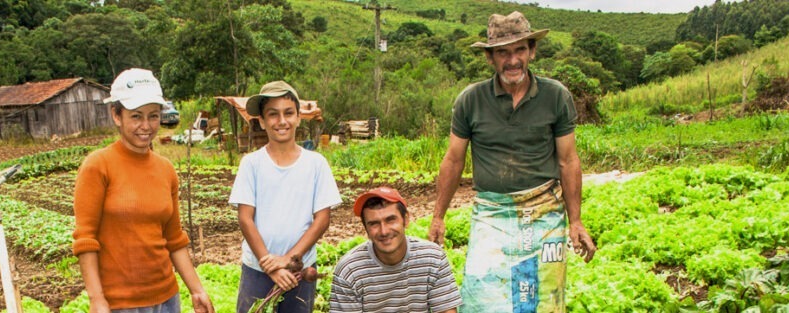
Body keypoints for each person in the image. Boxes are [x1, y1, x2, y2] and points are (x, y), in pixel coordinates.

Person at [428, 11, 598, 312]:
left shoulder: (555, 96)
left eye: (520, 49)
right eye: (503, 52)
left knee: (542, 299)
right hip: (492, 213)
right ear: (490, 58)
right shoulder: (471, 99)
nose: (512, 60)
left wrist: (576, 221)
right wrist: (438, 216)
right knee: (482, 293)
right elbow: (453, 161)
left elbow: (568, 161)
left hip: (545, 213)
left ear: (531, 51)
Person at [72, 68, 214, 313]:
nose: (146, 126)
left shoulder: (165, 169)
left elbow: (174, 238)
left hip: (167, 300)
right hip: (120, 305)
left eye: (153, 116)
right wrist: (97, 299)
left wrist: (196, 289)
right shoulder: (98, 166)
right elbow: (85, 239)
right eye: (136, 116)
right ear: (117, 115)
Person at [229, 80, 342, 313]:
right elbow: (245, 218)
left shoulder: (316, 164)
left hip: (299, 271)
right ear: (261, 121)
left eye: (288, 113)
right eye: (273, 114)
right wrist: (270, 265)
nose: (281, 121)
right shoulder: (251, 164)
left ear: (298, 117)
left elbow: (322, 219)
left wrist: (289, 259)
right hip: (257, 270)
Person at [330, 186, 462, 313]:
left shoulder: (432, 258)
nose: (384, 231)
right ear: (366, 229)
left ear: (405, 220)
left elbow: (446, 310)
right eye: (374, 224)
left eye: (390, 220)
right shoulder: (349, 270)